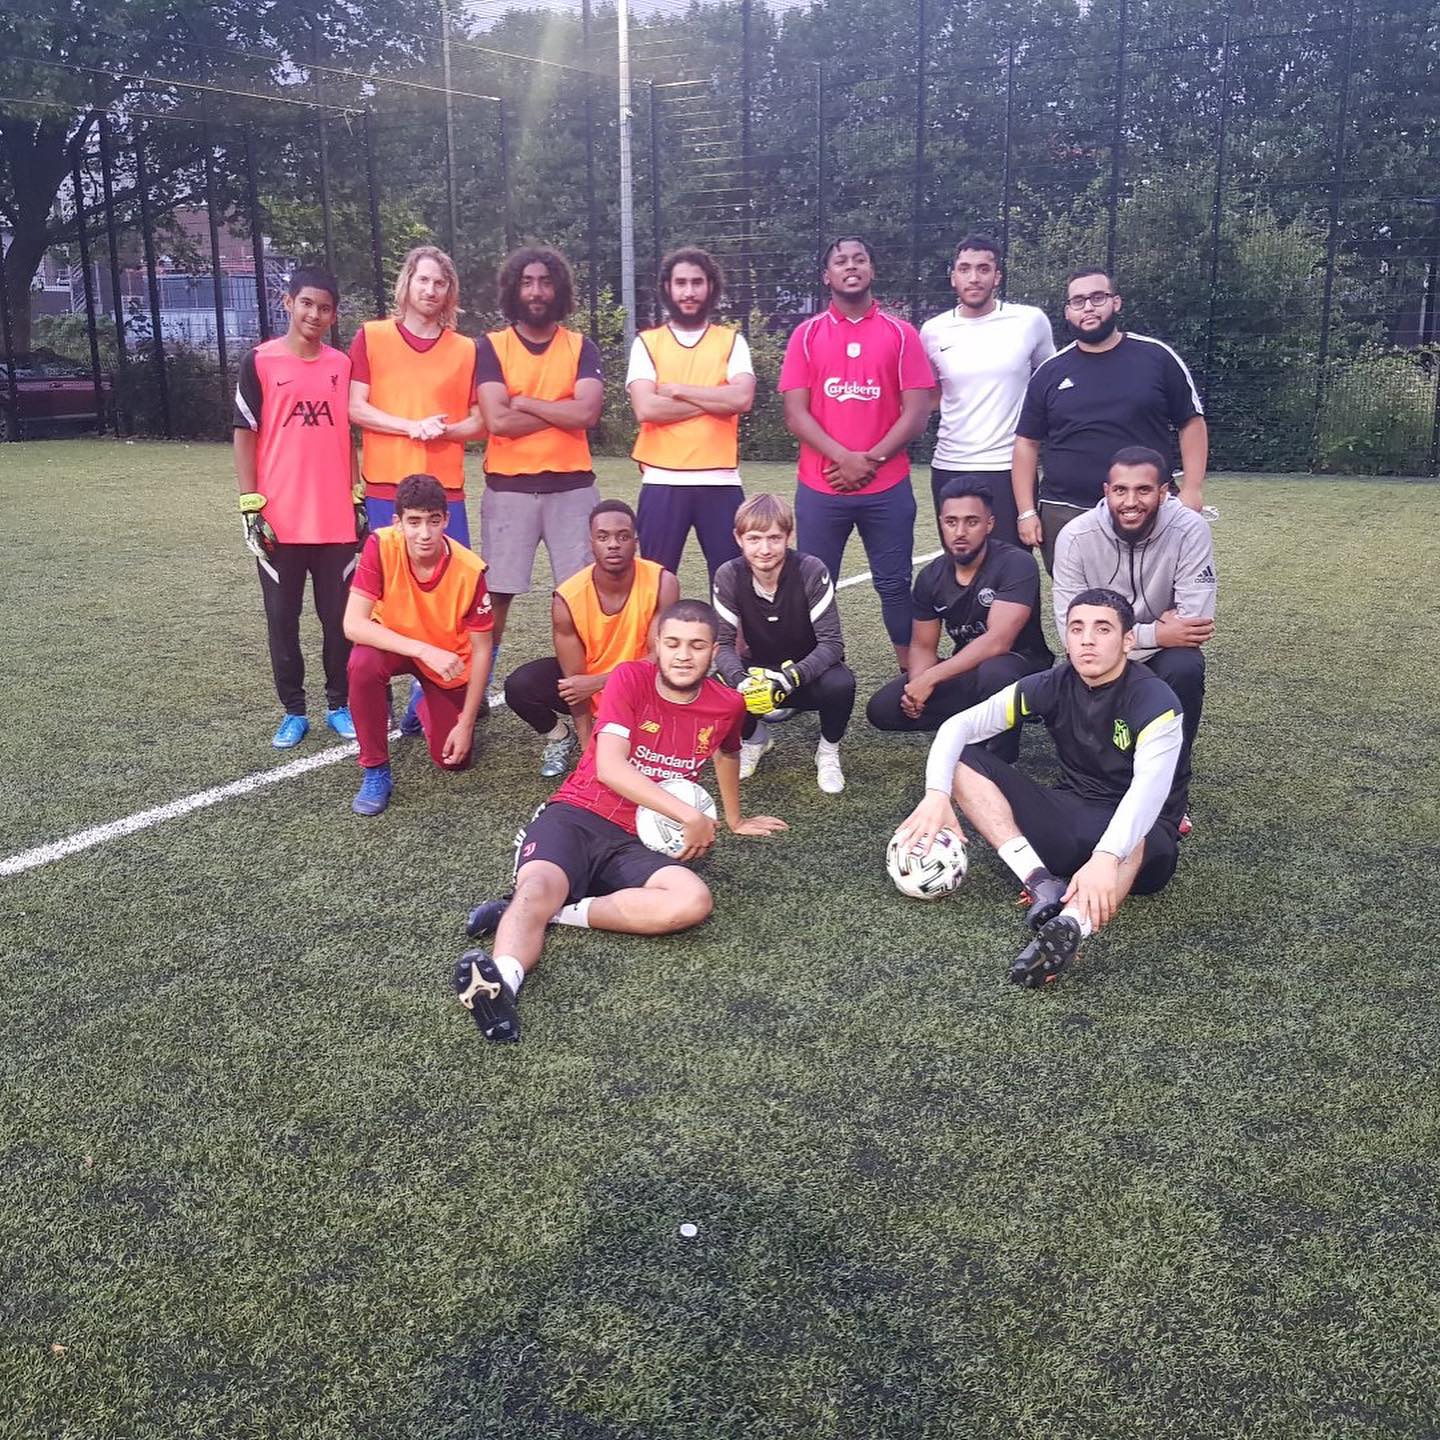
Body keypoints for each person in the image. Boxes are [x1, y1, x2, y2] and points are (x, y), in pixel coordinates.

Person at [454, 601, 787, 1043]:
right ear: (656, 646)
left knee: (691, 902)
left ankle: (556, 914)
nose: (683, 655)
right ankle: (501, 988)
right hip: (576, 814)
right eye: (672, 644)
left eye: (696, 645)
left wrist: (734, 817)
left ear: (713, 653)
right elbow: (610, 768)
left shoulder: (727, 704)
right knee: (536, 890)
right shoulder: (631, 679)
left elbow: (728, 751)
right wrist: (690, 815)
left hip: (643, 839)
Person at [895, 587, 1186, 989]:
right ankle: (1040, 882)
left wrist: (1105, 856)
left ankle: (1070, 927)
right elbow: (957, 727)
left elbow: (1148, 794)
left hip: (1141, 838)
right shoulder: (1052, 682)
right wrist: (936, 794)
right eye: (1077, 628)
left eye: (1103, 629)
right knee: (962, 761)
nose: (1087, 639)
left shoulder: (1156, 701)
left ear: (1127, 640)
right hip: (1068, 816)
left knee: (1132, 840)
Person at [779, 237, 936, 668]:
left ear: (872, 270)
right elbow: (795, 412)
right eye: (840, 261)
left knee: (894, 584)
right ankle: (807, 678)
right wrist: (844, 459)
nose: (851, 266)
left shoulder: (901, 334)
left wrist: (869, 461)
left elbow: (917, 413)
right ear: (826, 276)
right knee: (811, 585)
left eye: (860, 259)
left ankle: (914, 678)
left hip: (886, 488)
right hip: (821, 487)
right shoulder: (806, 335)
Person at [1052, 444, 1216, 821]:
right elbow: (1070, 631)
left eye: (1143, 490)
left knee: (1184, 664)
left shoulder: (1190, 530)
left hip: (1159, 655)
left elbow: (1194, 624)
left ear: (1164, 492)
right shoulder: (1076, 537)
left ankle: (1172, 795)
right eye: (1120, 490)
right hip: (1115, 650)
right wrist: (1156, 634)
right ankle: (1093, 783)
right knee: (1080, 663)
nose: (1130, 501)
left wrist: (1132, 639)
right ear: (1106, 491)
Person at [233, 266, 360, 749]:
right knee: (282, 620)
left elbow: (347, 435)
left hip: (334, 522)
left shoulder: (342, 365)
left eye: (324, 308)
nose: (314, 314)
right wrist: (251, 504)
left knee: (339, 620)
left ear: (333, 315)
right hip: (279, 522)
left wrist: (356, 493)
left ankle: (339, 704)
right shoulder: (260, 361)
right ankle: (293, 710)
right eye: (306, 303)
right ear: (288, 303)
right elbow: (244, 435)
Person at [1012, 265, 1208, 573]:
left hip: (1147, 508)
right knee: (1082, 610)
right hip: (1066, 511)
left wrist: (1193, 488)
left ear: (1116, 302)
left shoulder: (1157, 358)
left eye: (1097, 297)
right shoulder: (1049, 373)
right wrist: (1026, 511)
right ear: (1067, 311)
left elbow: (1191, 422)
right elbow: (1026, 443)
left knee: (1155, 602)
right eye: (1078, 301)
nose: (1088, 307)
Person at [476, 245, 604, 702]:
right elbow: (497, 421)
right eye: (527, 281)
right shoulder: (491, 346)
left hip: (572, 488)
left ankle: (588, 694)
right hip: (509, 490)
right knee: (496, 599)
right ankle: (476, 691)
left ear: (559, 289)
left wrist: (526, 400)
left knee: (580, 597)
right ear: (514, 288)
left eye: (545, 281)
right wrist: (560, 411)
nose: (536, 290)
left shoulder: (579, 345)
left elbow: (587, 413)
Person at [342, 473, 494, 816]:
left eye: (433, 521)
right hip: (399, 647)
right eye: (414, 522)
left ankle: (421, 704)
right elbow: (353, 624)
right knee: (362, 664)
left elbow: (483, 648)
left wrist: (466, 723)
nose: (424, 533)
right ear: (398, 523)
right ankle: (376, 769)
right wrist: (423, 649)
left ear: (446, 520)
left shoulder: (470, 571)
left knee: (453, 760)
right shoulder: (380, 546)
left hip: (447, 663)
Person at [867, 481, 1051, 754]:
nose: (960, 532)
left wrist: (932, 679)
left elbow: (997, 642)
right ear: (941, 523)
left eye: (971, 522)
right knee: (882, 708)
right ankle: (973, 721)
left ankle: (1001, 755)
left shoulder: (1015, 563)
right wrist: (918, 685)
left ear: (989, 524)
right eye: (951, 522)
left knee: (995, 672)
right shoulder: (931, 577)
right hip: (967, 669)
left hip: (1023, 669)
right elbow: (922, 646)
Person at [503, 499, 680, 778]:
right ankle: (561, 737)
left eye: (622, 536)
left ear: (635, 541)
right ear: (591, 542)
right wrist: (589, 750)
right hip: (591, 691)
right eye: (603, 536)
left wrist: (598, 682)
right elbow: (575, 683)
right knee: (521, 685)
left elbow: (659, 660)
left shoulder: (662, 583)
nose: (613, 544)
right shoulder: (568, 597)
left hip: (643, 689)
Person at [712, 493, 856, 794]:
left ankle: (828, 751)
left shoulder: (810, 570)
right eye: (754, 538)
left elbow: (832, 644)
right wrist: (742, 682)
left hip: (805, 673)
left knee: (841, 683)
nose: (764, 549)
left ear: (789, 536)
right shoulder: (728, 574)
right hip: (758, 670)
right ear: (738, 539)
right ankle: (755, 740)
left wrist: (789, 679)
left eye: (774, 538)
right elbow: (723, 644)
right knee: (718, 686)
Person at [628, 247, 755, 579]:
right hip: (662, 480)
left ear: (710, 286)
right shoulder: (647, 343)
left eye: (697, 282)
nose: (688, 291)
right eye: (680, 282)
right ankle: (661, 636)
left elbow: (742, 398)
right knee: (656, 581)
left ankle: (728, 636)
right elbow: (647, 408)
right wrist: (715, 399)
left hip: (721, 480)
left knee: (732, 582)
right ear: (667, 287)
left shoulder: (732, 342)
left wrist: (680, 390)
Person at [920, 233, 1055, 547]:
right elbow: (930, 395)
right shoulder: (933, 330)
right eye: (965, 269)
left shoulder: (1029, 321)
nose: (974, 277)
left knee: (1014, 563)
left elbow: (1049, 383)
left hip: (1009, 468)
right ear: (953, 277)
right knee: (960, 566)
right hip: (950, 465)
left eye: (983, 269)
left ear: (997, 277)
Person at [348, 245, 484, 545]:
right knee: (387, 587)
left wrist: (444, 431)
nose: (430, 290)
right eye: (423, 280)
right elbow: (355, 408)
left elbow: (480, 423)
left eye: (440, 283)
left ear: (449, 291)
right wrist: (411, 427)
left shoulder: (467, 349)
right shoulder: (371, 336)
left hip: (444, 491)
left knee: (449, 588)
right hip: (386, 489)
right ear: (407, 283)